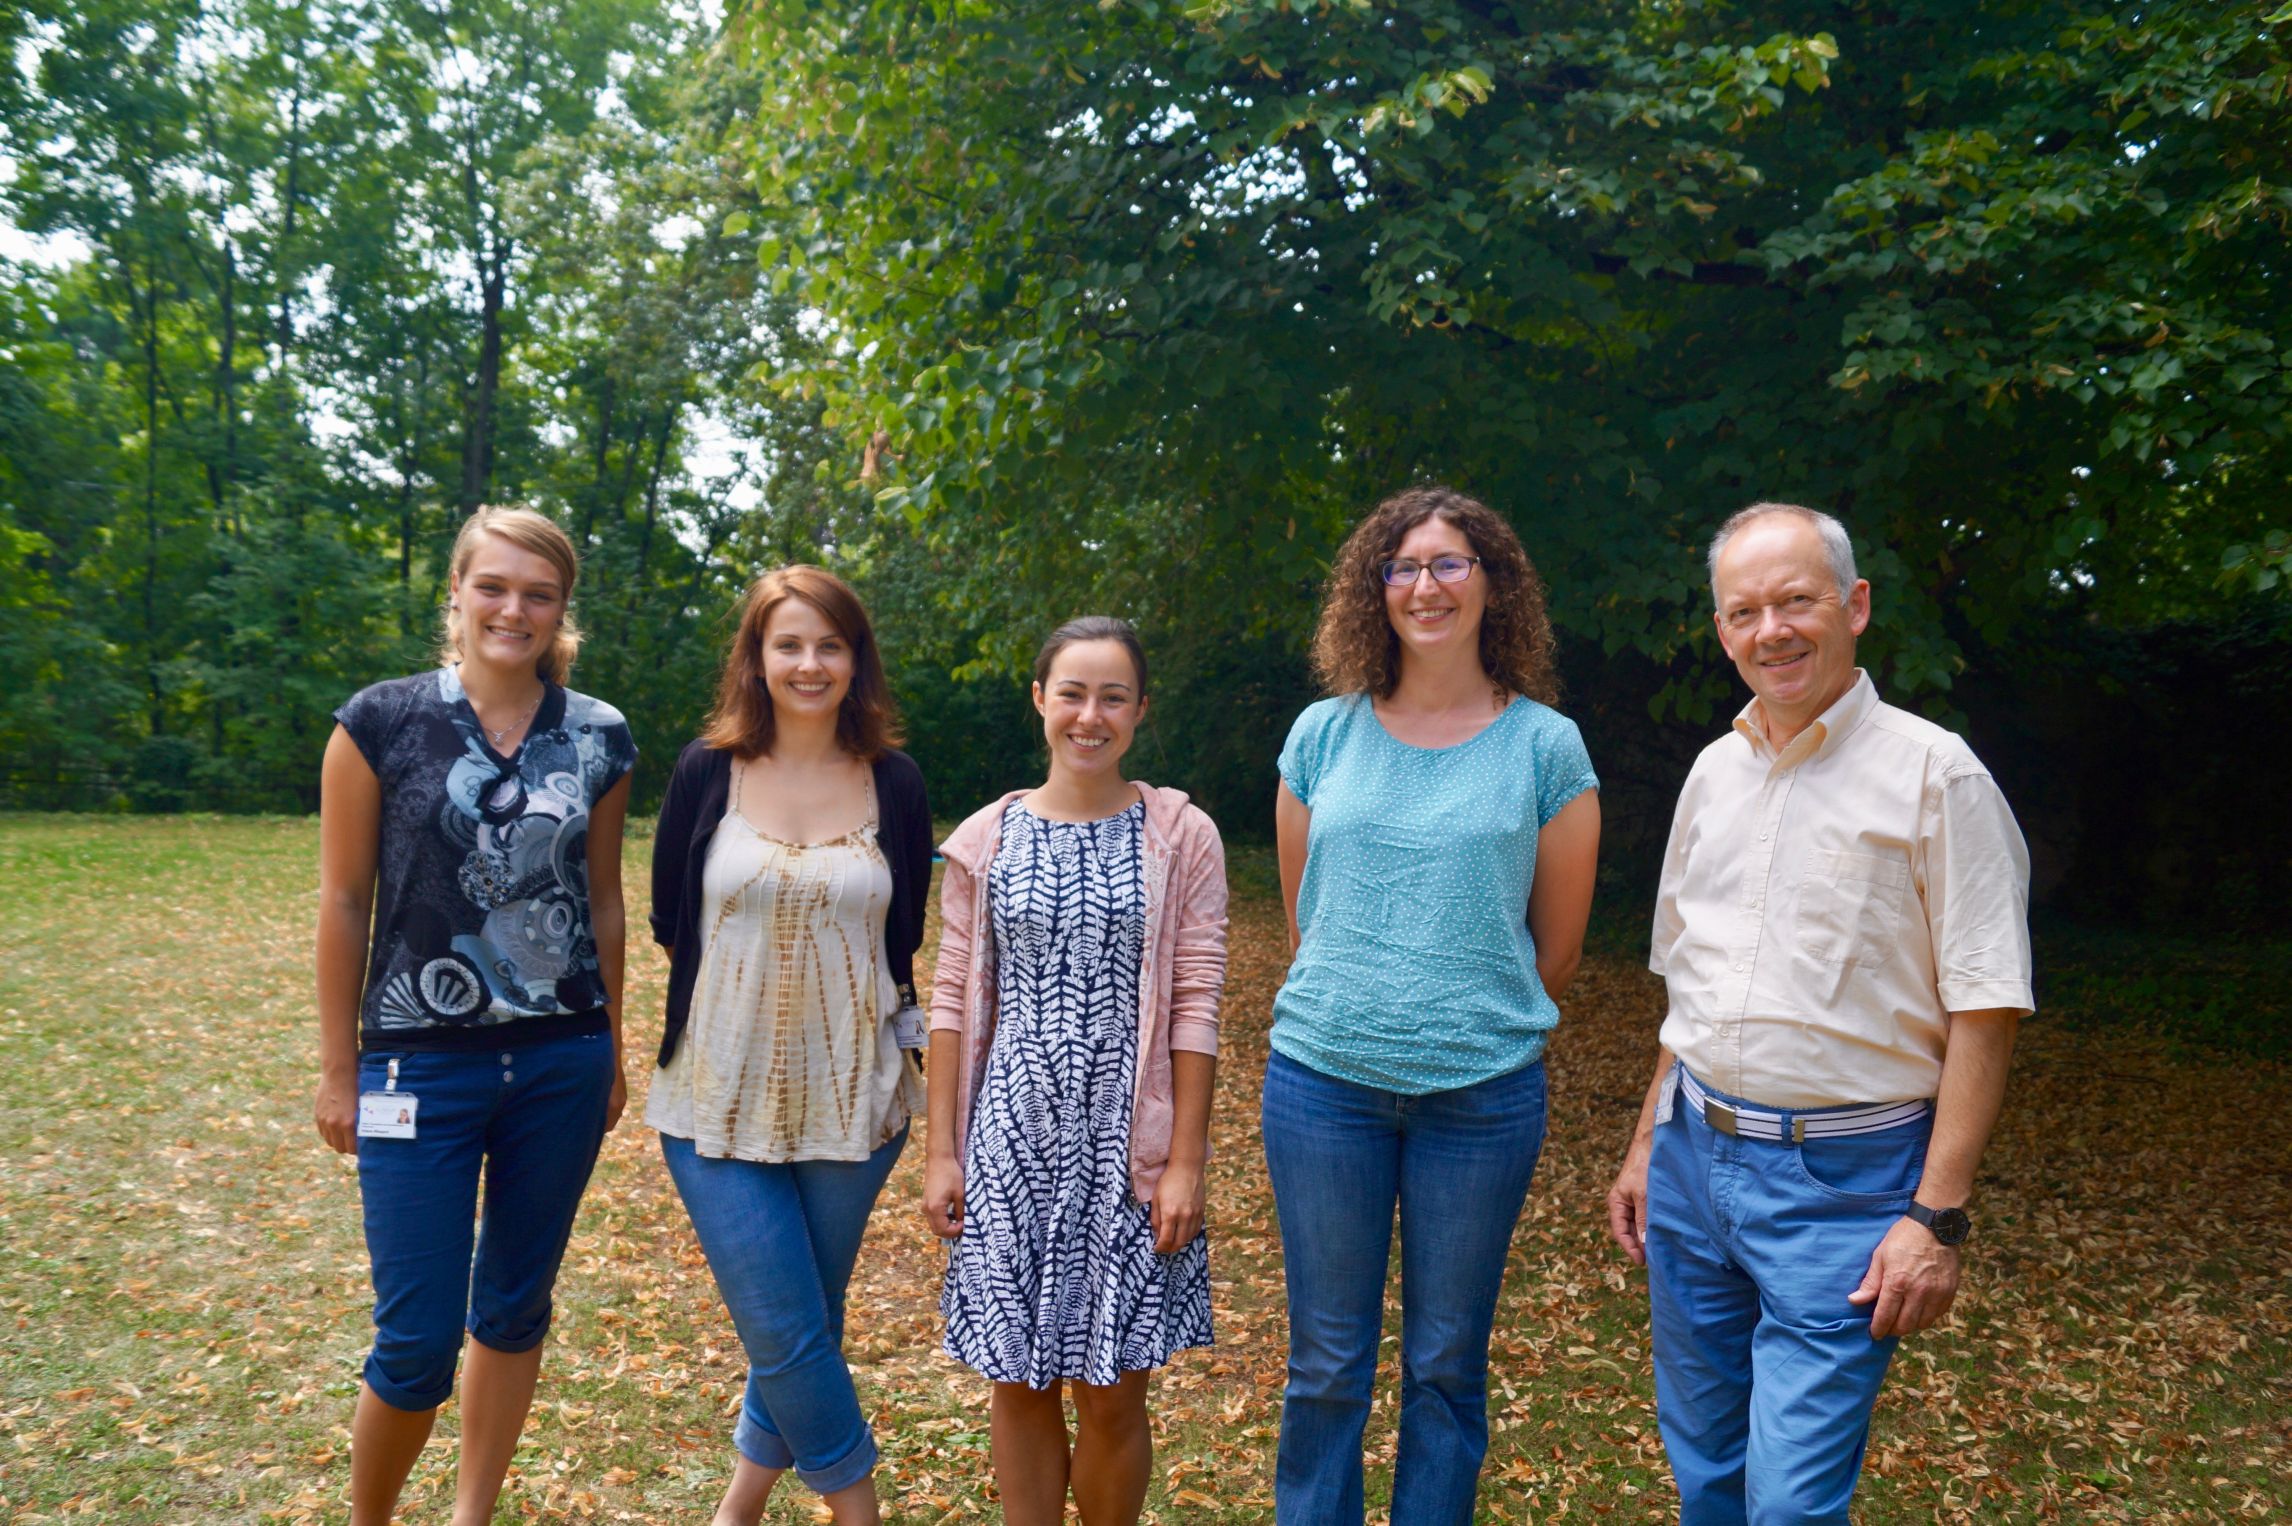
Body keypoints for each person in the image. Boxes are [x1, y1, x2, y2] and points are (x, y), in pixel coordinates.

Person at [1605, 502, 2033, 1524]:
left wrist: (1936, 1216)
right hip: (1692, 1166)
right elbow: (1690, 986)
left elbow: (1987, 1006)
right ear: (1721, 630)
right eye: (1744, 610)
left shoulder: (1938, 774)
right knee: (1706, 1467)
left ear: (1855, 605)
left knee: (1792, 1503)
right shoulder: (1713, 772)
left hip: (1845, 1187)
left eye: (1796, 600)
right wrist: (1641, 1146)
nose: (1772, 630)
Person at [1266, 484, 1601, 1525]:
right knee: (1326, 1362)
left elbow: (1556, 952)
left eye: (1450, 562)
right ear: (1376, 589)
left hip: (1482, 1098)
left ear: (1491, 583)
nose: (1426, 583)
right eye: (1403, 565)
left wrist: (1458, 1011)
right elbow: (1306, 918)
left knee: (1448, 1364)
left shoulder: (1547, 747)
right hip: (1324, 1087)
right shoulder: (1325, 734)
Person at [313, 505, 636, 1526]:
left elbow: (606, 900)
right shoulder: (379, 720)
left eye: (538, 592)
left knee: (514, 1305)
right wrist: (337, 1069)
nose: (514, 608)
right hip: (418, 1069)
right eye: (493, 585)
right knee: (414, 1339)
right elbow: (343, 900)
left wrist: (614, 1046)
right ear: (453, 591)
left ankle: (471, 1513)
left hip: (561, 1060)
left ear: (561, 610)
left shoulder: (599, 733)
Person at [923, 616, 1229, 1526]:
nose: (1089, 716)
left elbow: (1197, 1000)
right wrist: (943, 1153)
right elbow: (949, 998)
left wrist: (1185, 1162)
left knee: (1111, 1392)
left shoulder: (1180, 833)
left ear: (1140, 710)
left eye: (1112, 696)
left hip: (1125, 1147)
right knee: (1016, 1382)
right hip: (1010, 1141)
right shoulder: (987, 837)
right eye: (1072, 693)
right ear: (1040, 699)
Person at [645, 566, 931, 1526]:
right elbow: (669, 923)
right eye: (789, 645)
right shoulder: (705, 772)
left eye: (830, 644)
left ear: (857, 660)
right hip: (713, 1097)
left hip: (857, 1102)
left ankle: (738, 1509)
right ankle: (860, 1510)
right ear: (757, 660)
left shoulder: (896, 784)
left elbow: (905, 936)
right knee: (786, 1324)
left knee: (801, 1322)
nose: (810, 663)